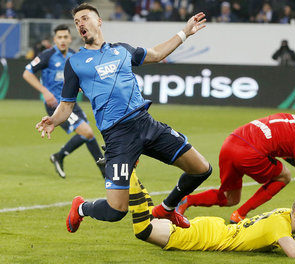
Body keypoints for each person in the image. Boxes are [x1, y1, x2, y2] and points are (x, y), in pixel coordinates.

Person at [35, 3, 211, 234]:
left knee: (202, 169)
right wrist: (54, 120)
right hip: (118, 137)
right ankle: (81, 208)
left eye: (85, 18)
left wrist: (184, 33)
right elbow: (67, 105)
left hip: (146, 124)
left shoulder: (122, 51)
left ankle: (167, 208)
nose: (80, 24)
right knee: (116, 211)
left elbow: (157, 54)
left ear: (99, 22)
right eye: (77, 22)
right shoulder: (75, 64)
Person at [129, 177, 295, 258]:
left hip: (214, 229)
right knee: (144, 230)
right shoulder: (280, 224)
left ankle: (131, 174)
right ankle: (127, 174)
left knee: (151, 219)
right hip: (204, 237)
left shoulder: (286, 216)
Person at [176, 104, 295, 224]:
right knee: (284, 176)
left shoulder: (290, 119)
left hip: (230, 144)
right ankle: (240, 214)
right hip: (250, 154)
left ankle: (187, 200)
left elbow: (278, 147)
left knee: (230, 198)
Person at [24, 24, 105, 179]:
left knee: (89, 135)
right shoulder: (47, 55)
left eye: (65, 37)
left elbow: (80, 76)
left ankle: (103, 169)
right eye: (59, 37)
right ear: (55, 39)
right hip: (56, 107)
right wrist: (45, 92)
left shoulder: (74, 56)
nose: (62, 40)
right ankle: (60, 156)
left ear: (70, 39)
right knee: (86, 132)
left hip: (71, 103)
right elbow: (27, 73)